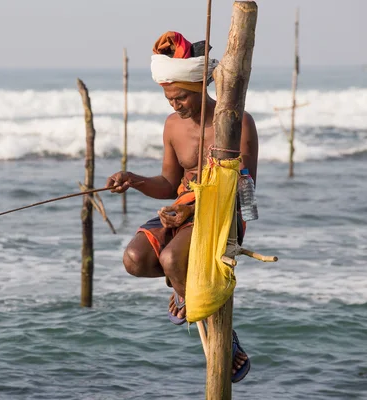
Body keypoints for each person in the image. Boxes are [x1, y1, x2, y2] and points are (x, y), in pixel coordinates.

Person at [106, 31, 258, 383]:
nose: (174, 105)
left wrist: (194, 210)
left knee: (173, 259)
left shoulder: (236, 123)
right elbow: (168, 184)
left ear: (197, 87)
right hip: (182, 210)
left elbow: (243, 186)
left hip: (222, 214)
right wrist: (134, 180)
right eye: (168, 98)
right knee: (134, 259)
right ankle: (186, 287)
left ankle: (211, 320)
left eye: (180, 97)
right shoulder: (173, 126)